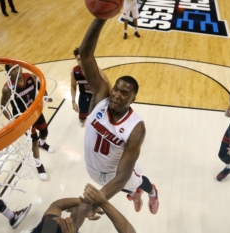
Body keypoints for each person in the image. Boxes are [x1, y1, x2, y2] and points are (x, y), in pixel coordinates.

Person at [77, 18, 159, 217]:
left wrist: (95, 203)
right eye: (116, 89)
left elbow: (122, 177)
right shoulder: (100, 98)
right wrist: (100, 18)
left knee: (136, 182)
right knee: (125, 189)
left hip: (116, 175)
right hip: (92, 168)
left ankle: (152, 192)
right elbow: (86, 54)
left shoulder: (136, 128)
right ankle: (134, 193)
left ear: (133, 99)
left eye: (124, 93)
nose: (116, 95)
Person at [1, 64, 55, 181]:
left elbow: (40, 86)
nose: (17, 71)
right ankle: (39, 165)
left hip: (35, 112)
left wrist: (45, 95)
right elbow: (3, 106)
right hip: (23, 119)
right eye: (13, 70)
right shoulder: (8, 88)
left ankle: (43, 143)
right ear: (8, 74)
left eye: (18, 68)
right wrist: (11, 120)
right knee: (34, 141)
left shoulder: (31, 77)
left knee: (45, 132)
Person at [31, 183, 136, 233]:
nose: (68, 218)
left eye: (63, 219)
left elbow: (57, 205)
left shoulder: (46, 227)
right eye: (67, 224)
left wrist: (88, 203)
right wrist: (103, 203)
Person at [71, 47, 110, 127]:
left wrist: (110, 96)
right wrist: (73, 101)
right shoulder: (74, 71)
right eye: (79, 59)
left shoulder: (95, 69)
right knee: (82, 117)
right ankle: (82, 124)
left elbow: (107, 82)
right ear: (76, 59)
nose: (81, 62)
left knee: (99, 116)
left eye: (82, 59)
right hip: (84, 96)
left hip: (96, 96)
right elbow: (73, 86)